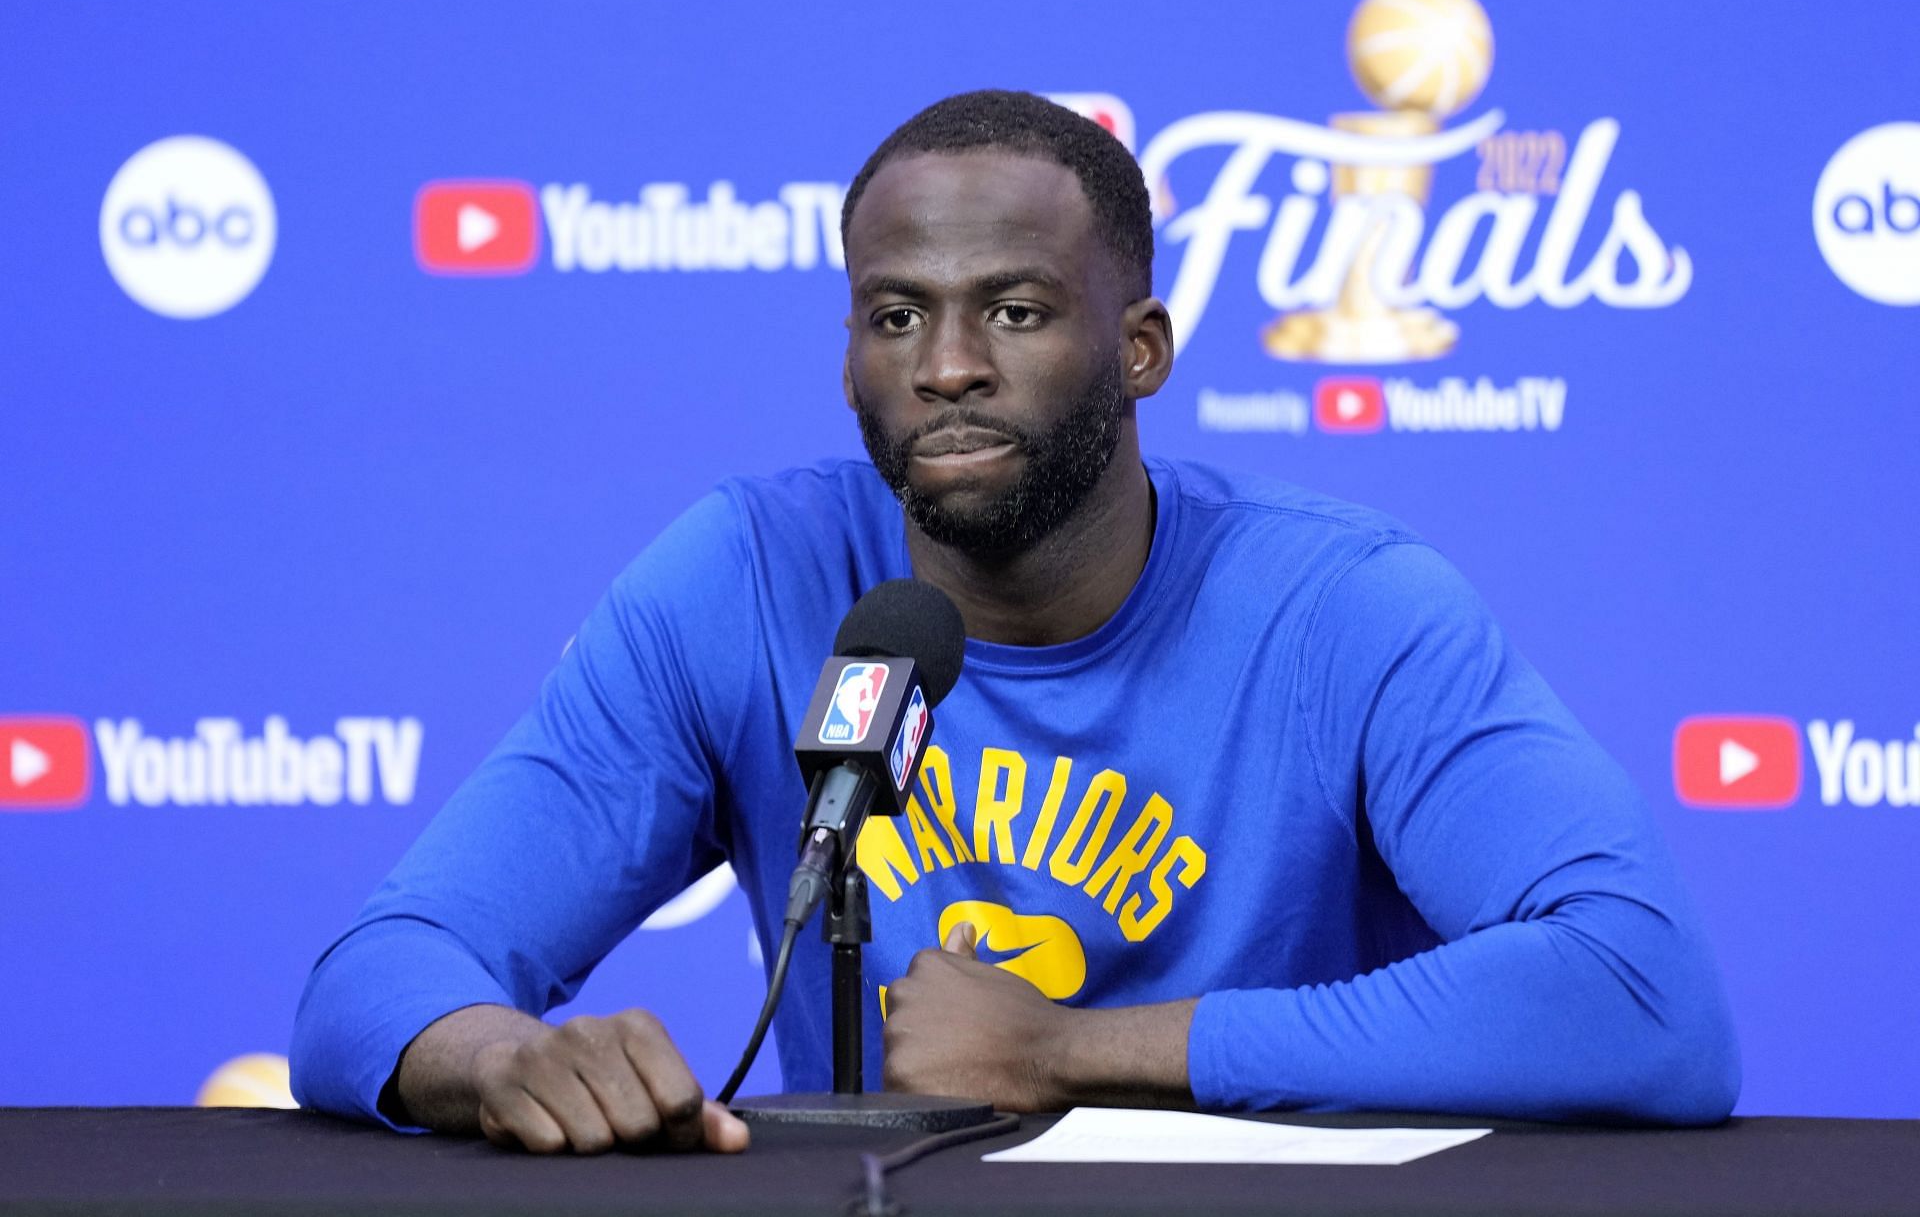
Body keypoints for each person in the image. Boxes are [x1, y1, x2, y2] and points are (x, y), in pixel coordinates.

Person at [290, 90, 1740, 1154]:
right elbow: (379, 975)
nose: (952, 366)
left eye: (1020, 312)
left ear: (1143, 347)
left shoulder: (1341, 606)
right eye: (898, 316)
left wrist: (1074, 1052)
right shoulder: (746, 578)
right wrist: (499, 1060)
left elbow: (1639, 991)